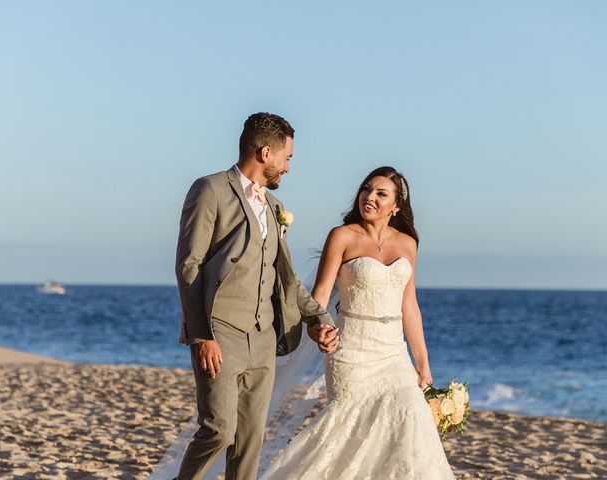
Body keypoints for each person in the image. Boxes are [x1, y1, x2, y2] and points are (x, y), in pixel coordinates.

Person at [260, 166, 455, 479]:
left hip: (393, 352)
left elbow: (410, 307)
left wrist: (423, 364)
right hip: (350, 349)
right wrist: (317, 327)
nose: (370, 197)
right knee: (348, 431)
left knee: (409, 422)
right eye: (366, 189)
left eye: (381, 193)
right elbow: (320, 294)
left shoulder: (408, 244)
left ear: (397, 206)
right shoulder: (342, 236)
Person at [174, 112, 339, 480]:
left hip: (264, 338)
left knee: (249, 440)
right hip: (221, 332)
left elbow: (288, 280)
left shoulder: (275, 208)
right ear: (266, 153)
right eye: (287, 158)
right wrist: (202, 335)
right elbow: (189, 266)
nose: (288, 168)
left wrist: (318, 318)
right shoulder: (210, 190)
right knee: (218, 429)